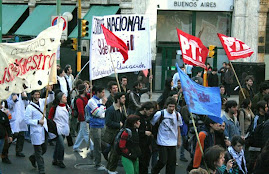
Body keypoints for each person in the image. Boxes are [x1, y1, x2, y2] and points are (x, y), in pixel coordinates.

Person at [24, 87, 54, 174]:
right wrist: (37, 121)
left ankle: (33, 158)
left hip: (44, 129)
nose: (37, 96)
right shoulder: (29, 107)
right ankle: (42, 169)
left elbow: (51, 98)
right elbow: (26, 120)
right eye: (36, 94)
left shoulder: (41, 101)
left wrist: (50, 90)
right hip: (36, 131)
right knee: (38, 151)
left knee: (44, 148)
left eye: (38, 94)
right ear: (32, 95)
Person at [151, 97, 182, 174]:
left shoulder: (177, 115)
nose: (172, 108)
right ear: (166, 106)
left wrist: (179, 140)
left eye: (173, 106)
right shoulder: (160, 114)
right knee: (163, 160)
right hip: (162, 141)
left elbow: (178, 127)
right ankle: (154, 171)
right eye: (170, 106)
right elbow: (152, 123)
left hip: (172, 141)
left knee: (171, 163)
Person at [104, 92, 126, 174]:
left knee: (115, 151)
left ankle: (109, 168)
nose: (124, 99)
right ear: (118, 99)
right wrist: (118, 124)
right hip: (112, 134)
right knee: (115, 152)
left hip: (118, 133)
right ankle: (111, 169)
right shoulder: (111, 110)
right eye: (123, 98)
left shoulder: (121, 108)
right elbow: (108, 122)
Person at [87, 86, 107, 171]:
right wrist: (102, 105)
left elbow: (102, 114)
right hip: (95, 126)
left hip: (102, 124)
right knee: (97, 145)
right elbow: (98, 113)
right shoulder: (91, 101)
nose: (104, 94)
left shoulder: (100, 100)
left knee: (103, 144)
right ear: (97, 92)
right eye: (102, 92)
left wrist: (101, 108)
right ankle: (97, 163)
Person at [49, 92, 70, 168]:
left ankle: (55, 159)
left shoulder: (67, 106)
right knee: (61, 145)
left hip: (65, 128)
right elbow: (50, 118)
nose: (66, 98)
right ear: (60, 99)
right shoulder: (54, 108)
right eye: (64, 97)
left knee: (58, 145)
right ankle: (60, 160)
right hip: (57, 129)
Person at [6, 92, 29, 158]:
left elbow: (27, 104)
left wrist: (25, 97)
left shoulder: (23, 94)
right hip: (14, 118)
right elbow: (9, 105)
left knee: (21, 135)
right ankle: (5, 152)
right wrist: (13, 100)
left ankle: (19, 151)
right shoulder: (10, 94)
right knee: (13, 135)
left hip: (21, 118)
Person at [135, 102, 154, 174]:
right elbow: (134, 130)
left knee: (146, 162)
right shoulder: (136, 117)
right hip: (139, 143)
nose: (151, 113)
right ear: (145, 109)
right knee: (141, 162)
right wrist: (144, 132)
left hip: (147, 143)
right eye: (150, 111)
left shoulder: (147, 117)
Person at [72, 84, 90, 152]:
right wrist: (84, 119)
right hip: (83, 119)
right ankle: (92, 147)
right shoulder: (79, 100)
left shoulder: (86, 96)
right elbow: (81, 112)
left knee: (81, 133)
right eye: (86, 89)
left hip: (85, 118)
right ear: (84, 90)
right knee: (86, 134)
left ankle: (76, 146)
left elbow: (92, 94)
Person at [0, 101, 12, 168]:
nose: (1, 106)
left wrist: (10, 135)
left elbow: (7, 125)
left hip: (1, 137)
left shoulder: (3, 114)